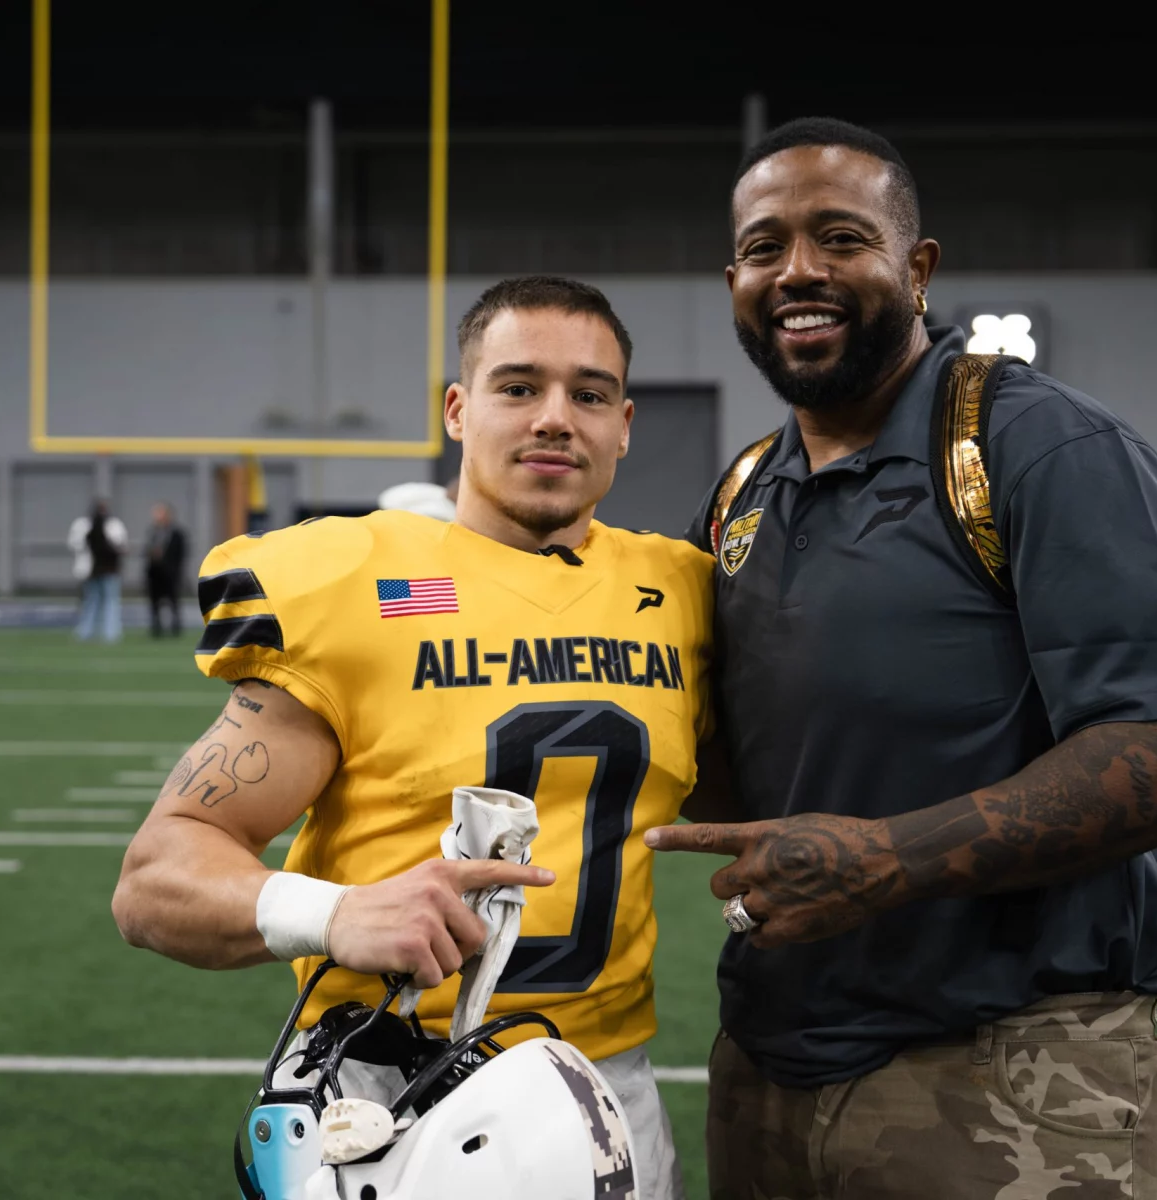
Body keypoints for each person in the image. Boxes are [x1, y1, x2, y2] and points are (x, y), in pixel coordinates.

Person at [646, 118, 1157, 1200]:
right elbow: (740, 766)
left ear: (916, 267)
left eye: (840, 238)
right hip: (772, 1059)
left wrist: (888, 858)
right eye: (765, 246)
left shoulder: (1046, 448)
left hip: (1008, 1067)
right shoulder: (744, 490)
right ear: (733, 276)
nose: (799, 271)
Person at [112, 276, 717, 1199]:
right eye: (519, 388)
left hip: (605, 1089)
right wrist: (336, 914)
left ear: (624, 424)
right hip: (388, 1093)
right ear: (458, 408)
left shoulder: (685, 594)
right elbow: (153, 881)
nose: (556, 418)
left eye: (589, 394)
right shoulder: (355, 581)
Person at [69, 499, 127, 643]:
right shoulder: (84, 526)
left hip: (108, 570)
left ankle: (109, 633)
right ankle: (87, 632)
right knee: (93, 601)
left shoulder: (113, 525)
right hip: (92, 570)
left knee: (107, 601)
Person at [144, 502, 189, 638]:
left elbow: (181, 554)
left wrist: (174, 569)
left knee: (173, 601)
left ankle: (176, 628)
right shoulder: (153, 532)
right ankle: (156, 628)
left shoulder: (177, 533)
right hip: (155, 574)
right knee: (154, 603)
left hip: (171, 574)